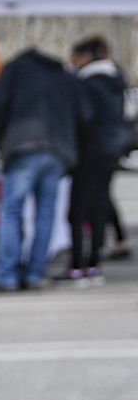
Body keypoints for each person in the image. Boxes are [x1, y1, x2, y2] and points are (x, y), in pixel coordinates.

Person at [0, 49, 84, 292]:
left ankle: (6, 274)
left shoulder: (16, 70)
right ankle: (35, 273)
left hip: (22, 145)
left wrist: (0, 140)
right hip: (58, 150)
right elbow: (84, 112)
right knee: (46, 214)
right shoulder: (65, 76)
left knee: (11, 210)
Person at [67, 37, 132, 283]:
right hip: (110, 151)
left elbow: (84, 117)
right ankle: (94, 263)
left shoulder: (87, 83)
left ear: (84, 56)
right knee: (98, 206)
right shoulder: (115, 81)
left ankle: (76, 265)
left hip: (89, 152)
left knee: (77, 211)